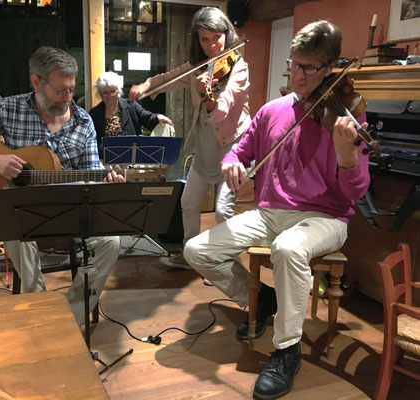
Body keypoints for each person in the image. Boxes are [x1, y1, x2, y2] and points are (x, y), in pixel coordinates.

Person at [184, 21, 371, 399]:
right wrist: (232, 164)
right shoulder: (272, 111)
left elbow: (355, 192)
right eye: (294, 64)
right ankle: (261, 300)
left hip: (324, 217)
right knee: (196, 250)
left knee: (288, 247)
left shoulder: (346, 121)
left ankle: (287, 350)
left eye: (309, 68)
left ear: (329, 68)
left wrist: (348, 159)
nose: (298, 75)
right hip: (270, 212)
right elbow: (240, 151)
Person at [0, 46, 125, 327]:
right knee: (15, 226)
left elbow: (90, 179)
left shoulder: (83, 121)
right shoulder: (9, 108)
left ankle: (70, 316)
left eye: (71, 90)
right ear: (36, 81)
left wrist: (108, 183)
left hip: (69, 209)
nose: (68, 98)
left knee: (111, 242)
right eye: (61, 91)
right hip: (24, 211)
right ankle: (39, 308)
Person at [129, 7, 251, 271]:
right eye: (204, 39)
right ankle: (190, 254)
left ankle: (224, 261)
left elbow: (221, 111)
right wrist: (147, 86)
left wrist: (205, 95)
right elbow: (169, 78)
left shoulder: (238, 68)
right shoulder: (198, 67)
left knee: (223, 210)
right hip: (206, 145)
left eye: (216, 37)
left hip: (233, 148)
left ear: (227, 34)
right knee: (188, 202)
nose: (212, 45)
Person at [89, 71, 173, 154]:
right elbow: (94, 142)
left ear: (118, 91)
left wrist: (157, 117)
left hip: (133, 157)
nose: (109, 95)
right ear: (100, 95)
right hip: (107, 158)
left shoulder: (131, 106)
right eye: (105, 93)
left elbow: (147, 117)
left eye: (112, 91)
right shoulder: (94, 114)